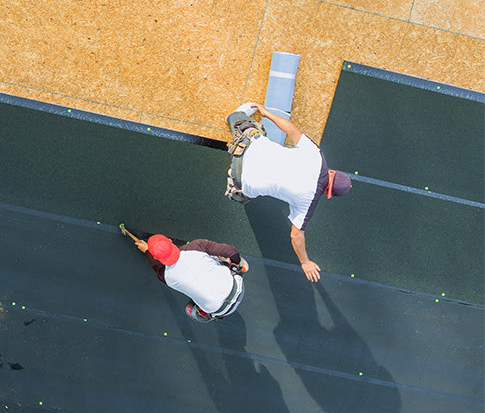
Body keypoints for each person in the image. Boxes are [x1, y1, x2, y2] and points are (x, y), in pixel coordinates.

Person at [224, 102, 351, 282]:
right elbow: (296, 235)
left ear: (332, 172)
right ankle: (233, 184)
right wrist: (305, 262)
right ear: (327, 193)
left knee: (244, 124)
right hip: (241, 178)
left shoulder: (317, 156)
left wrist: (266, 113)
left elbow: (291, 129)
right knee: (242, 196)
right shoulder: (309, 204)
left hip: (248, 149)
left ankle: (239, 119)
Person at [123, 227, 248, 323]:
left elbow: (157, 265)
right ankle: (234, 266)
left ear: (155, 256)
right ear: (170, 241)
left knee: (193, 298)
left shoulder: (165, 276)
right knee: (216, 257)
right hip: (238, 287)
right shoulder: (196, 246)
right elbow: (231, 251)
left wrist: (147, 251)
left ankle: (204, 312)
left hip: (221, 311)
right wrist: (236, 262)